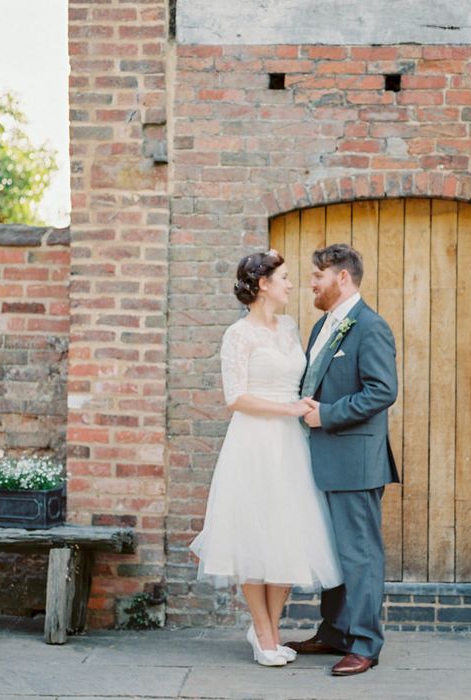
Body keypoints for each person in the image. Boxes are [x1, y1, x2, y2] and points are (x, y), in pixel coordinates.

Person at [190, 249, 342, 668]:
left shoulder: (291, 327)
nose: (293, 285)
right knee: (255, 538)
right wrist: (289, 408)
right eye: (286, 277)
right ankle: (261, 631)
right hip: (254, 443)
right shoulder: (238, 335)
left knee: (288, 536)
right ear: (263, 285)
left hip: (291, 445)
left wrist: (306, 407)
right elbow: (235, 397)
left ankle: (272, 631)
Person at [287, 243, 399, 677]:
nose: (312, 284)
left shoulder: (370, 326)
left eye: (318, 276)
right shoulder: (321, 327)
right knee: (332, 552)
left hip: (355, 461)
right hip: (321, 461)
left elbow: (382, 391)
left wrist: (327, 415)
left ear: (343, 278)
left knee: (360, 555)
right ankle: (334, 631)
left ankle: (366, 644)